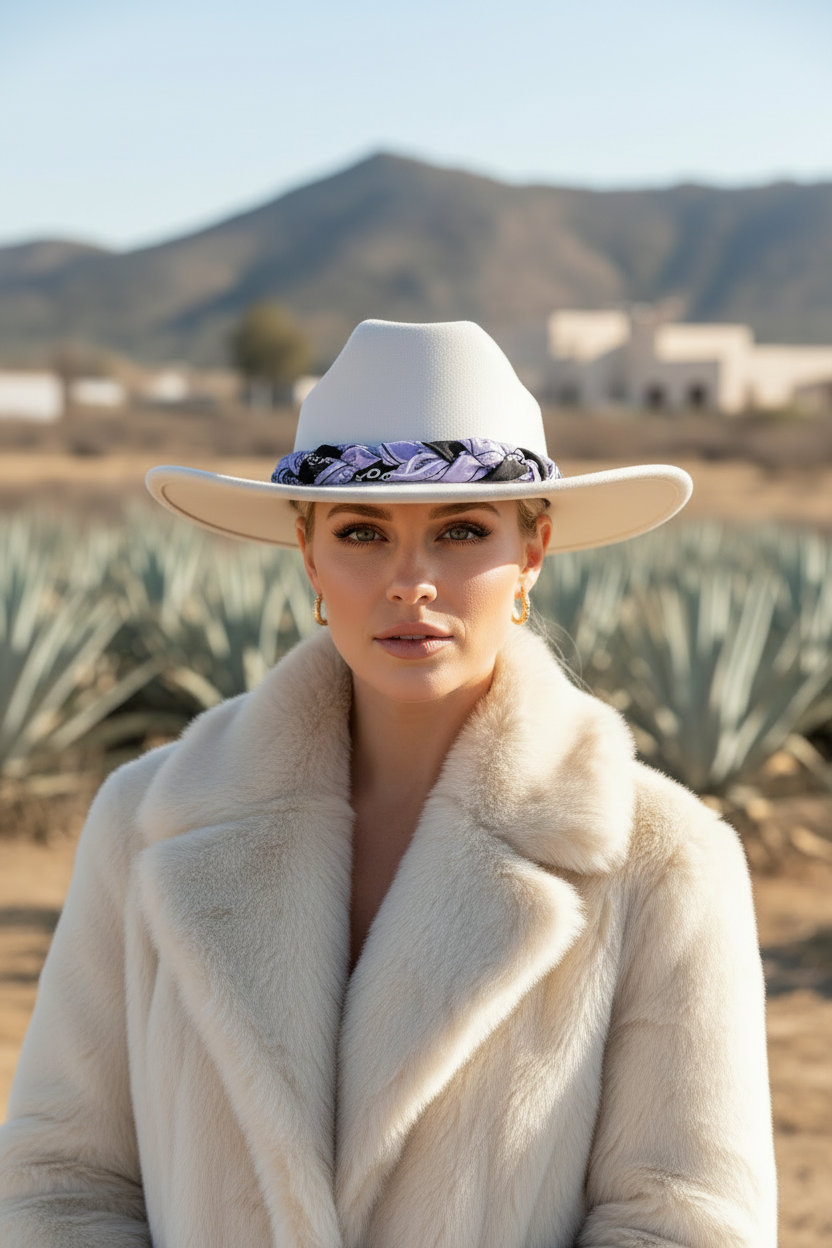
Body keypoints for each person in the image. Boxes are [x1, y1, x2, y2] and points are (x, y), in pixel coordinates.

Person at [0, 320, 776, 1248]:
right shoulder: (146, 820)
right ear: (309, 555)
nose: (411, 582)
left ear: (532, 554)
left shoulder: (664, 857)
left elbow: (687, 1221)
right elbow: (58, 1181)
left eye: (462, 531)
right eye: (363, 531)